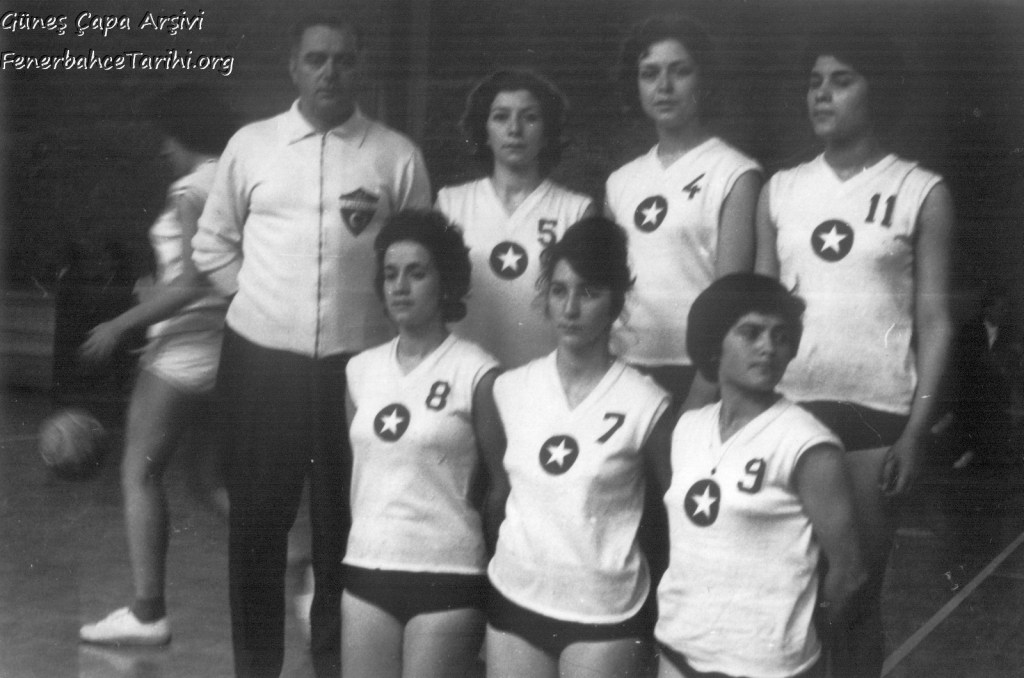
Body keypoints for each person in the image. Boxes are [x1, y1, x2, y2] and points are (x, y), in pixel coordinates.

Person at [189, 13, 432, 678]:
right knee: (256, 531)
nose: (330, 72)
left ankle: (334, 666)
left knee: (344, 532)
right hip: (262, 367)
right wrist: (259, 299)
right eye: (317, 59)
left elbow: (420, 256)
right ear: (293, 66)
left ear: (361, 67)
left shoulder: (395, 155)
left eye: (343, 60)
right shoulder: (252, 146)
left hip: (359, 373)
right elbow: (212, 242)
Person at [754, 25, 955, 678]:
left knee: (854, 596)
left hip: (876, 415)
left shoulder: (921, 190)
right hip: (789, 411)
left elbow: (935, 321)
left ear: (877, 91)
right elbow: (756, 314)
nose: (822, 94)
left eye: (841, 81)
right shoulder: (781, 189)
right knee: (788, 597)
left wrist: (916, 432)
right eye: (815, 82)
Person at [78, 84, 236, 646]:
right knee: (208, 482)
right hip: (225, 349)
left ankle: (148, 614)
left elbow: (194, 282)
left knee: (138, 472)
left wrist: (122, 324)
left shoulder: (192, 189)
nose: (164, 149)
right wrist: (156, 296)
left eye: (167, 137)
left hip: (185, 352)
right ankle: (303, 564)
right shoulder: (230, 179)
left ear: (184, 133)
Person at [482, 215, 672, 678]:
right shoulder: (509, 389)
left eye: (588, 292)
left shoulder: (646, 404)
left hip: (604, 613)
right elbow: (499, 494)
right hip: (516, 598)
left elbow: (675, 518)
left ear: (616, 302)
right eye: (559, 290)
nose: (570, 308)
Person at [656, 273, 866, 678]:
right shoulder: (688, 428)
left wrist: (796, 643)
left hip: (765, 667)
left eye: (781, 336)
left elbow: (850, 573)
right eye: (751, 333)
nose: (768, 347)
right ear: (714, 342)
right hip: (678, 652)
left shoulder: (807, 444)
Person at [341, 210, 500, 678]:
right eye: (390, 274)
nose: (400, 287)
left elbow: (501, 486)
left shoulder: (477, 371)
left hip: (447, 574)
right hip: (368, 564)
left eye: (416, 273)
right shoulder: (360, 371)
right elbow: (365, 472)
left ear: (445, 282)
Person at [605, 13, 761, 410]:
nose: (664, 86)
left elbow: (732, 299)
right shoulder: (620, 181)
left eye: (680, 71)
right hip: (621, 369)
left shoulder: (735, 173)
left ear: (703, 80)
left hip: (697, 372)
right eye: (649, 73)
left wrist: (701, 393)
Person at [437, 69, 595, 369]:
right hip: (463, 377)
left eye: (529, 118)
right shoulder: (450, 204)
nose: (514, 129)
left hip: (543, 380)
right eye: (500, 117)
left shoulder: (575, 211)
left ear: (547, 131)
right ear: (484, 130)